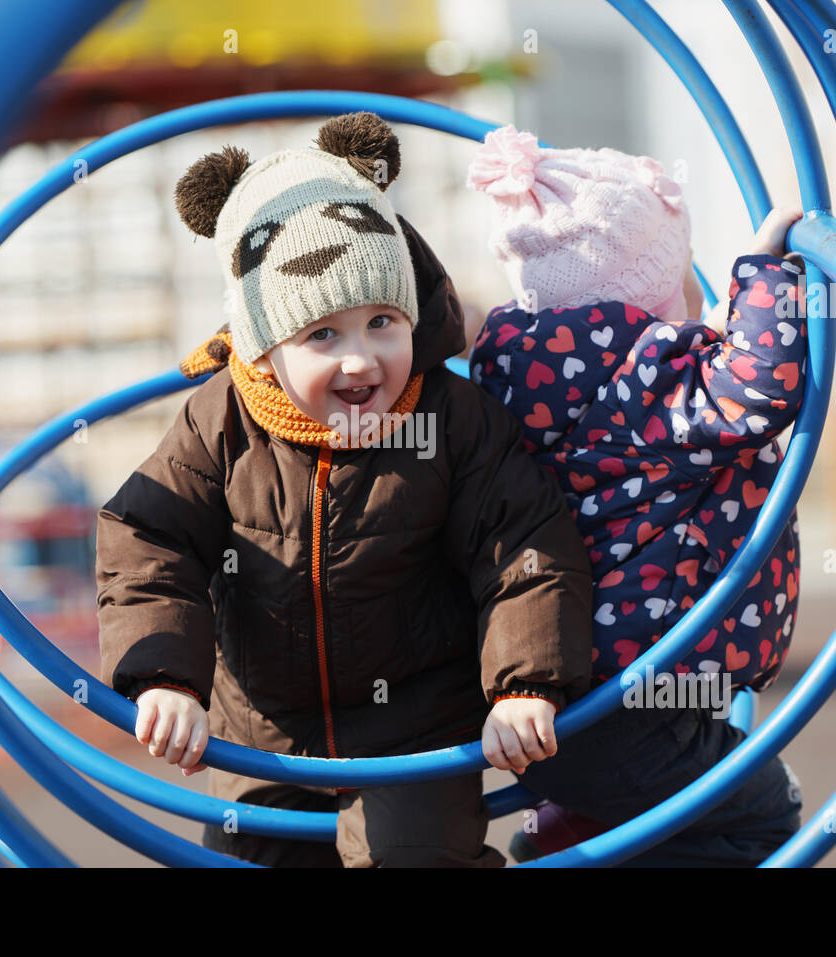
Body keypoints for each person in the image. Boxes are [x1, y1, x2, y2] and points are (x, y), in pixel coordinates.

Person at [95, 112, 594, 868]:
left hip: (415, 727)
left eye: (383, 322)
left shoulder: (452, 420)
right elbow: (149, 536)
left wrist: (525, 685)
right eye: (322, 335)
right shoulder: (218, 423)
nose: (362, 360)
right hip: (267, 735)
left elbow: (522, 543)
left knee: (416, 856)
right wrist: (165, 675)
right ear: (263, 348)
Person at [466, 123, 807, 864]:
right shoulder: (654, 382)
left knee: (657, 819)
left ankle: (561, 837)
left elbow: (674, 389)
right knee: (762, 815)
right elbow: (755, 390)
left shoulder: (517, 371)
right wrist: (766, 273)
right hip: (631, 704)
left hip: (562, 693)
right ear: (653, 289)